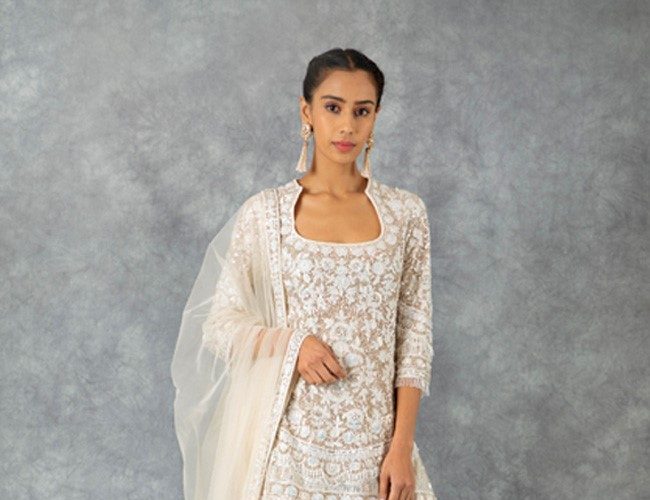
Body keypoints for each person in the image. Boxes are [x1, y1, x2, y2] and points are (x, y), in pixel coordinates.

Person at [171, 47, 437, 500]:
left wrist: (401, 448)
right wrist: (292, 346)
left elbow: (414, 339)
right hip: (288, 452)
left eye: (362, 111)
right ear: (306, 111)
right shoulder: (265, 215)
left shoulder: (406, 214)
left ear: (375, 117)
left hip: (376, 454)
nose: (347, 126)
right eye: (333, 107)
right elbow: (218, 326)